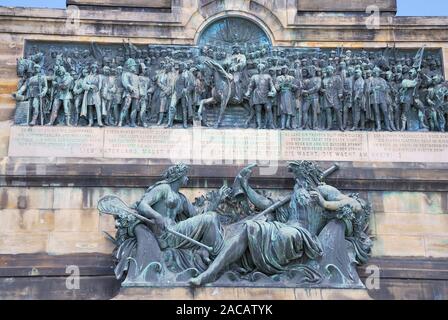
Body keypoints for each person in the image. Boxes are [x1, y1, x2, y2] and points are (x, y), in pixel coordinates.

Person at [245, 63, 277, 129]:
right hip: (257, 94)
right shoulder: (254, 76)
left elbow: (271, 86)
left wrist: (273, 91)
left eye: (261, 67)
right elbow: (250, 86)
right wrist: (248, 92)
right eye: (259, 67)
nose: (260, 68)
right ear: (257, 69)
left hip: (266, 94)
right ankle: (259, 125)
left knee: (268, 109)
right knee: (258, 110)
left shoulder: (268, 76)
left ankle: (271, 124)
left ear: (264, 68)